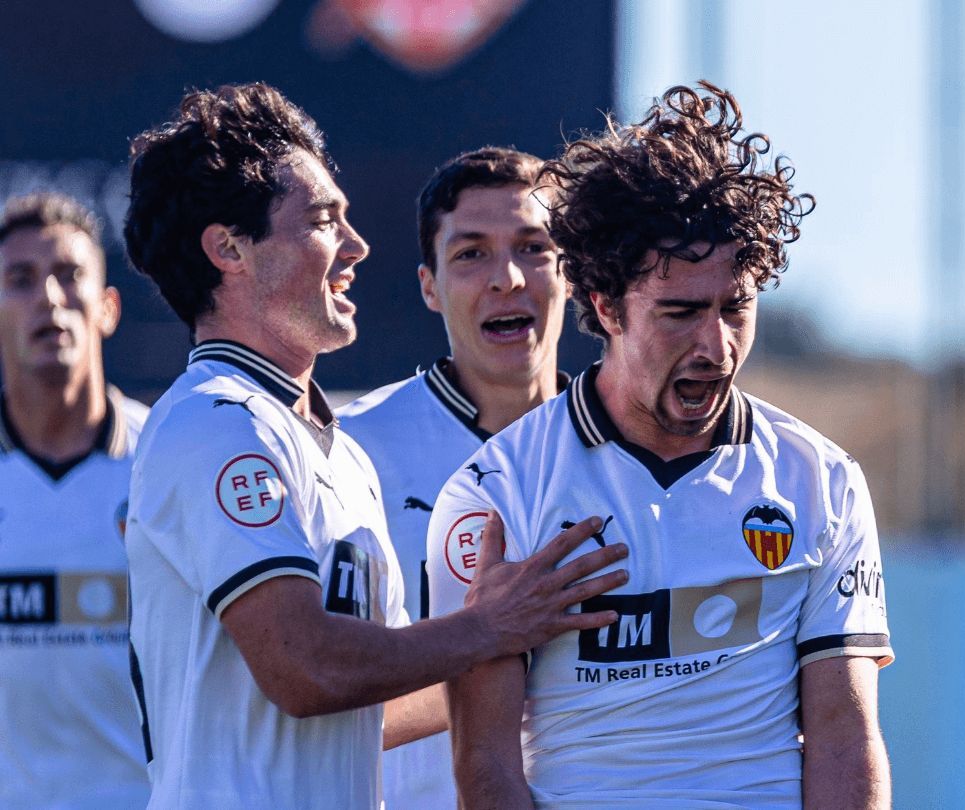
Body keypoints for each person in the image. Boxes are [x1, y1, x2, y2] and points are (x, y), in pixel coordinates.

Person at [121, 82, 627, 809]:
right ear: (229, 249)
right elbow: (306, 669)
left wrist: (573, 671)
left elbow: (374, 706)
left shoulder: (334, 447)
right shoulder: (215, 422)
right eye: (326, 221)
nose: (357, 247)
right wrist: (490, 624)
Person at [427, 83, 893, 809]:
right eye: (680, 312)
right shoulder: (496, 493)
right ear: (607, 307)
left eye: (735, 307)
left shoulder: (819, 479)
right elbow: (484, 764)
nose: (716, 344)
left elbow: (845, 734)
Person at [338, 146, 568, 809]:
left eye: (533, 248)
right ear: (429, 286)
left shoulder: (622, 451)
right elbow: (325, 699)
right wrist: (503, 649)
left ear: (572, 271)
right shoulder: (350, 451)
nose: (507, 279)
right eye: (471, 254)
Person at [0, 192, 150, 808]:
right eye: (21, 280)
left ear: (108, 307)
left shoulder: (168, 459)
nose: (51, 299)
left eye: (70, 275)